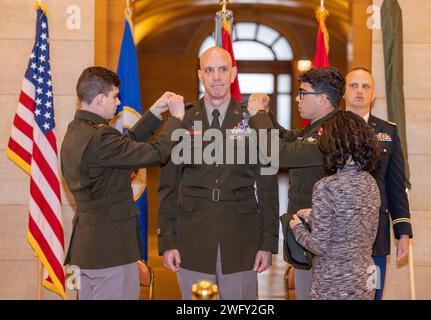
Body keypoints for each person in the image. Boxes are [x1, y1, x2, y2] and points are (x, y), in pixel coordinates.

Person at [157, 47, 279, 300]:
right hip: (192, 237)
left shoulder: (252, 118)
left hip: (241, 237)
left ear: (233, 73)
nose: (216, 76)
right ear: (200, 75)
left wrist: (268, 243)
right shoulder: (183, 118)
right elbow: (167, 186)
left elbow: (268, 185)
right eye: (209, 70)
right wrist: (167, 240)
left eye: (222, 69)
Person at [61, 66, 185, 300]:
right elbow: (156, 154)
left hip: (88, 250)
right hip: (112, 251)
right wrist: (176, 120)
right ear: (99, 99)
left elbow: (122, 148)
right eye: (114, 96)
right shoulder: (101, 137)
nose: (118, 103)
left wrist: (155, 113)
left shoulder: (76, 131)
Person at [247, 67, 346, 299]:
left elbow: (279, 154)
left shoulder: (331, 132)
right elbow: (285, 138)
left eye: (303, 93)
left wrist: (259, 116)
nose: (297, 98)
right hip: (309, 237)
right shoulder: (318, 127)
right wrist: (267, 114)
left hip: (322, 242)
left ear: (322, 98)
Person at [289, 110, 381, 300]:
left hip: (333, 281)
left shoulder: (326, 187)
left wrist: (297, 228)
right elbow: (363, 230)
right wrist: (314, 215)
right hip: (366, 276)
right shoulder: (370, 182)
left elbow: (319, 245)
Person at [344, 67, 413, 299]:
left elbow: (395, 185)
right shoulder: (328, 129)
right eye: (354, 85)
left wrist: (402, 231)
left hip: (377, 236)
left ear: (373, 94)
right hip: (337, 234)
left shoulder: (388, 132)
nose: (360, 91)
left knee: (372, 293)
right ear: (344, 92)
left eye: (366, 86)